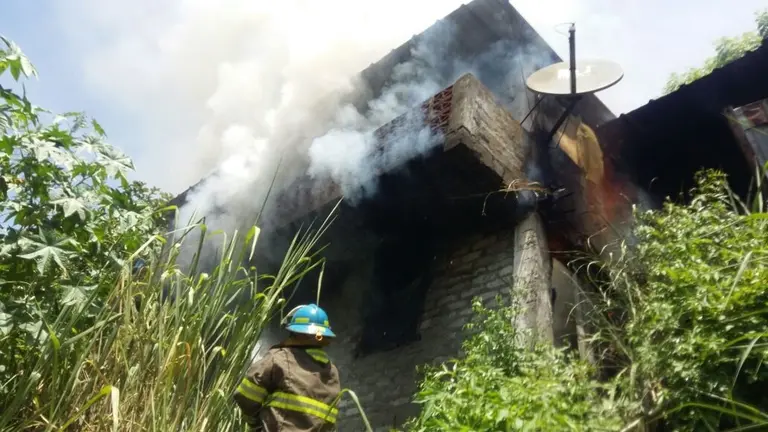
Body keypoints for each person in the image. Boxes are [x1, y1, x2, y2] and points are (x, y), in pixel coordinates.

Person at [234, 304, 341, 431]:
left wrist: (254, 423)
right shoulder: (332, 372)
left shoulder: (279, 358)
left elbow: (245, 395)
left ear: (297, 332)